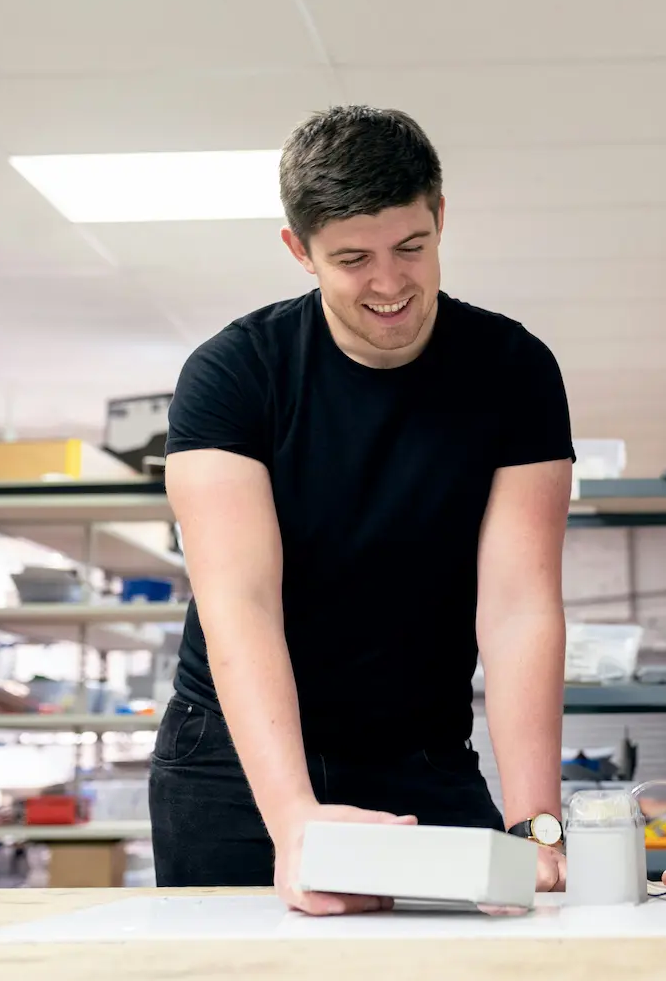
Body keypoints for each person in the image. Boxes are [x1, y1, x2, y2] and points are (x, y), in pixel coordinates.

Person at [152, 107, 574, 913]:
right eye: (352, 259)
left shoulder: (513, 371)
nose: (389, 284)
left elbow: (519, 604)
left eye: (410, 248)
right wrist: (294, 822)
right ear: (299, 250)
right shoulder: (233, 376)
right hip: (238, 766)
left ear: (440, 217)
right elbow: (238, 603)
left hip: (418, 753)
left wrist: (535, 823)